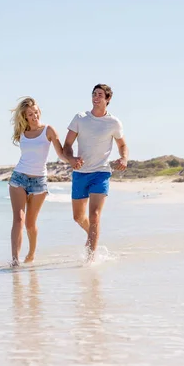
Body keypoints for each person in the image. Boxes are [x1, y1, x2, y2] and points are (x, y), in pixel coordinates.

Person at [63, 84, 129, 262]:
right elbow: (67, 146)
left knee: (94, 216)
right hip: (80, 173)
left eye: (100, 94)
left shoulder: (113, 123)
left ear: (108, 99)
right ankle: (93, 234)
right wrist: (71, 159)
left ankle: (90, 259)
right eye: (94, 94)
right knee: (78, 217)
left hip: (101, 172)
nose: (96, 97)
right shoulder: (80, 118)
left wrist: (123, 159)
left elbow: (122, 145)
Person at [8, 97, 69, 267]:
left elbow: (61, 154)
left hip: (39, 182)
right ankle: (15, 261)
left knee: (30, 223)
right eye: (30, 114)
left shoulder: (48, 130)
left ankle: (32, 253)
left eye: (36, 112)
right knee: (18, 219)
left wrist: (73, 161)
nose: (34, 116)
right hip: (19, 177)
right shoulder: (22, 132)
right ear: (25, 116)